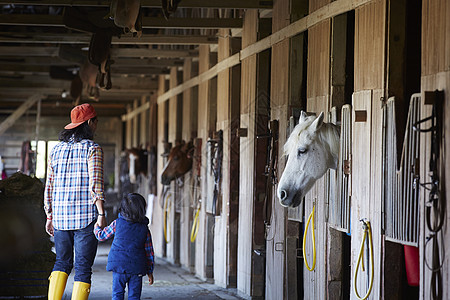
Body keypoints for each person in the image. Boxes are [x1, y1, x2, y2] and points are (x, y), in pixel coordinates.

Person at [44, 103, 106, 300]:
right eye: (95, 121)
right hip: (86, 218)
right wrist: (102, 214)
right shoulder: (93, 149)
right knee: (83, 267)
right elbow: (96, 184)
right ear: (89, 122)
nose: (96, 125)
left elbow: (49, 186)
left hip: (61, 217)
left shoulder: (56, 150)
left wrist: (49, 215)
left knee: (61, 263)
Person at [94, 193, 155, 300]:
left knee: (117, 295)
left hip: (119, 266)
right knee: (134, 296)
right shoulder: (145, 229)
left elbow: (102, 236)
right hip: (137, 268)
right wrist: (150, 271)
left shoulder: (117, 223)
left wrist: (96, 228)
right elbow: (149, 253)